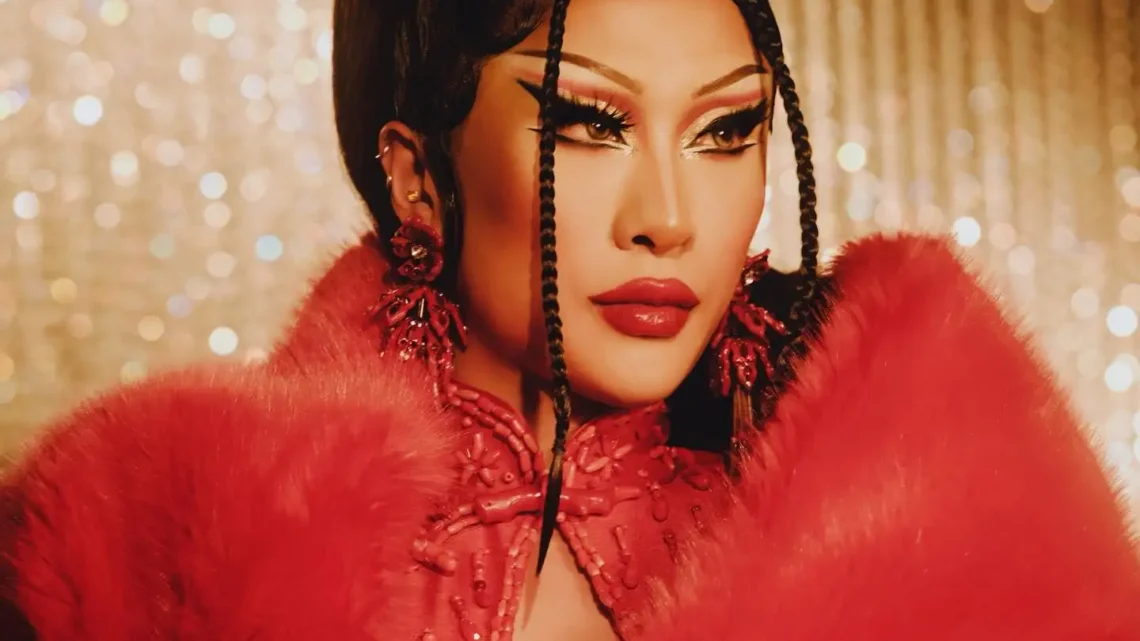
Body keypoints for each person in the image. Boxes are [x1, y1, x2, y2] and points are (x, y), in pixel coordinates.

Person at [2, 0, 1139, 639]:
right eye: (588, 123)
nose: (669, 218)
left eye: (726, 132)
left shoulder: (937, 503)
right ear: (416, 175)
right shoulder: (149, 538)